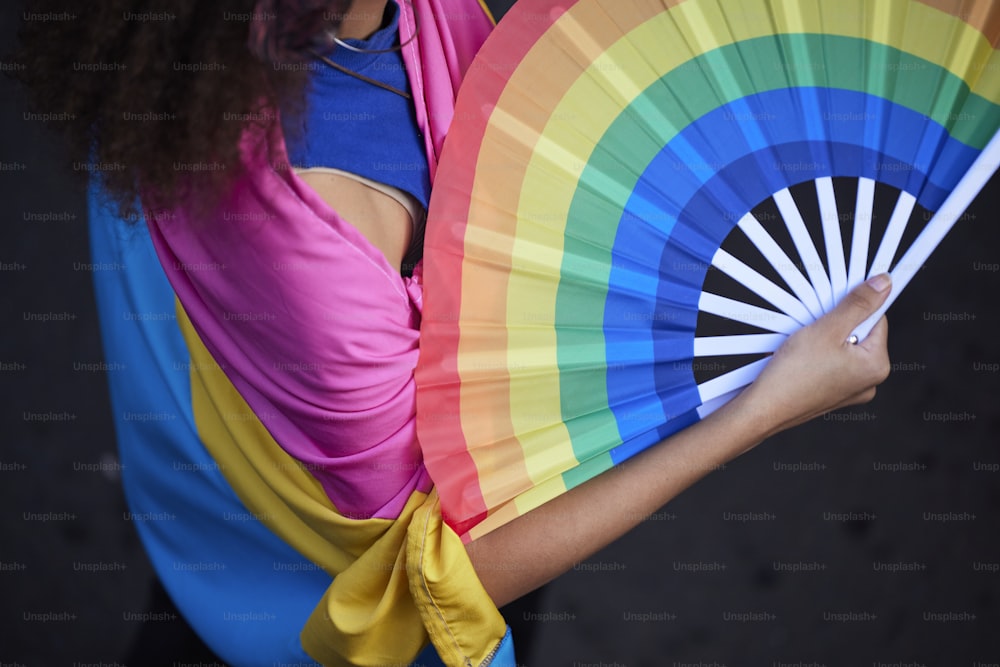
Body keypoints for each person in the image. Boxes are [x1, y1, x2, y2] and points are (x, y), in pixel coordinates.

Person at [16, 0, 892, 665]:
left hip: (212, 474)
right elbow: (428, 576)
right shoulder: (314, 237)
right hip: (325, 583)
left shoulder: (168, 49)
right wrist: (759, 411)